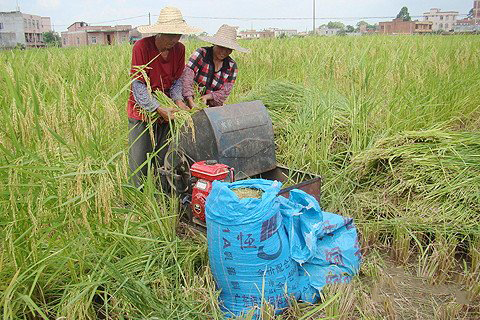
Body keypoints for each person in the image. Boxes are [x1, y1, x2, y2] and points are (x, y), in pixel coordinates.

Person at [127, 7, 200, 187]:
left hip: (168, 112)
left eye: (178, 35)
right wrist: (157, 108)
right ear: (160, 32)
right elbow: (138, 85)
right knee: (139, 159)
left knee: (164, 156)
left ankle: (162, 195)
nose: (175, 40)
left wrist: (177, 102)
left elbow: (176, 81)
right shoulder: (141, 47)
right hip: (143, 110)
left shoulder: (179, 49)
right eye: (170, 35)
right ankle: (136, 199)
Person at [174, 24, 249, 108]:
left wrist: (207, 97)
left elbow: (225, 91)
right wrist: (191, 101)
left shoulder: (231, 66)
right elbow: (186, 79)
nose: (224, 52)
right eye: (221, 47)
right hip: (189, 102)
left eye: (228, 49)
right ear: (215, 44)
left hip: (213, 106)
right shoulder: (201, 54)